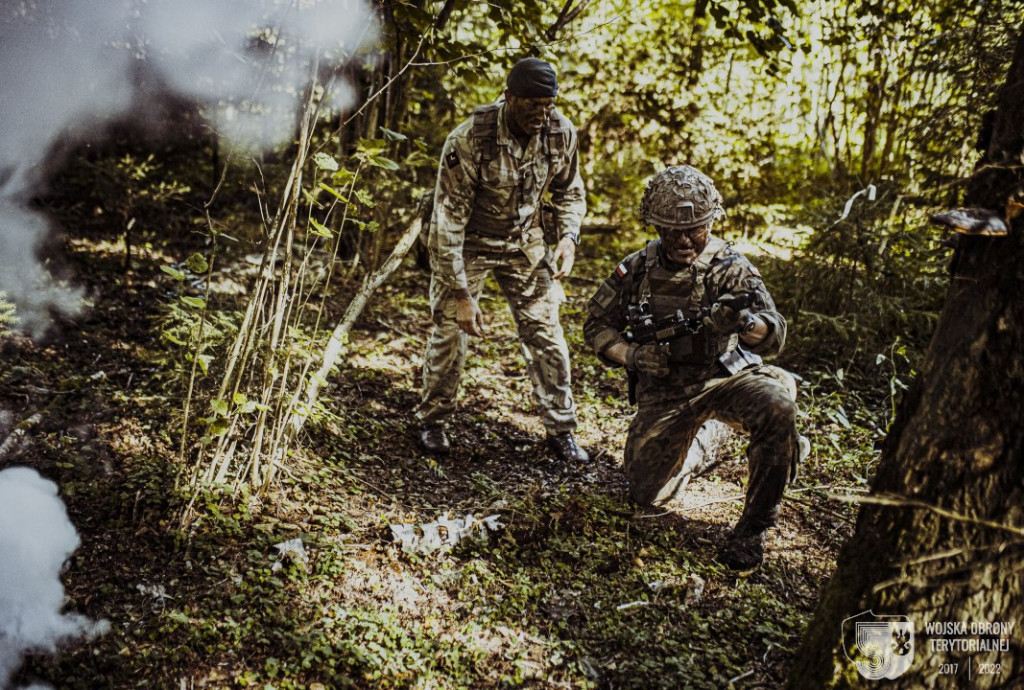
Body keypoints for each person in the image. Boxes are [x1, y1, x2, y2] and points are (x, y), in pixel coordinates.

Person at [583, 165, 805, 570]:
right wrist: (631, 356)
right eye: (671, 230)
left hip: (726, 376)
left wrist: (742, 323)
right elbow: (597, 325)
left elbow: (774, 335)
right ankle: (708, 436)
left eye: (695, 230)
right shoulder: (636, 268)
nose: (684, 240)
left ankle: (753, 529)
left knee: (777, 407)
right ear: (655, 226)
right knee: (647, 494)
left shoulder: (731, 267)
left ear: (710, 222)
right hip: (666, 389)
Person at [415, 57, 589, 464]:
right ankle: (432, 420)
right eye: (533, 106)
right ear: (510, 98)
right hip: (468, 242)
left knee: (547, 333)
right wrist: (460, 294)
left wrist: (567, 238)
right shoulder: (469, 139)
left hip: (524, 242)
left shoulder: (560, 132)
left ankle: (561, 430)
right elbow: (448, 221)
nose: (542, 115)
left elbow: (570, 191)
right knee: (449, 333)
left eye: (548, 105)